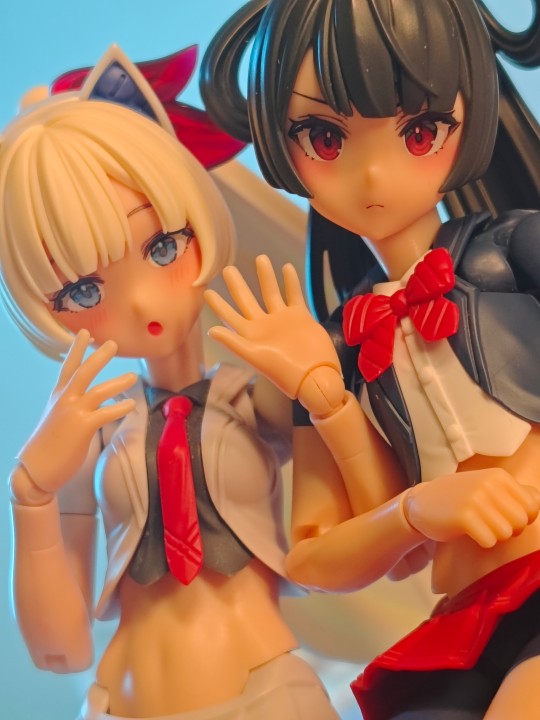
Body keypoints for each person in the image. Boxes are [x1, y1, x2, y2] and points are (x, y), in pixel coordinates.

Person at [200, 0, 540, 717]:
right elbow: (314, 556)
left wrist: (522, 474)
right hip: (466, 616)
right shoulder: (334, 346)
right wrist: (408, 504)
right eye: (326, 137)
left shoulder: (515, 250)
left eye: (420, 130)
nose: (375, 175)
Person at [0, 45, 340, 720]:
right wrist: (30, 496)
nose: (143, 305)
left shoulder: (254, 397)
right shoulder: (92, 427)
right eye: (83, 289)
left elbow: (340, 536)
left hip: (265, 698)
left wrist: (317, 388)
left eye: (163, 247)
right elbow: (62, 650)